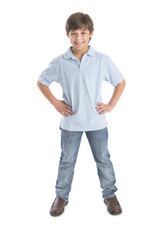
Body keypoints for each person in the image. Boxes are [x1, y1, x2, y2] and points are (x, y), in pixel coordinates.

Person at [37, 12, 126, 216]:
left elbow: (120, 82)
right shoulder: (60, 62)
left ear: (91, 34)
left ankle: (110, 194)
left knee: (103, 158)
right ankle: (61, 196)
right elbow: (42, 82)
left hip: (96, 121)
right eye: (74, 33)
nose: (79, 38)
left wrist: (111, 105)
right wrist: (54, 102)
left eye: (83, 33)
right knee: (67, 160)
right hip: (71, 122)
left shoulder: (102, 60)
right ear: (68, 35)